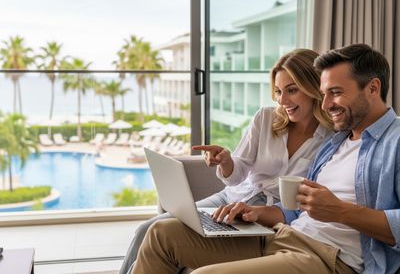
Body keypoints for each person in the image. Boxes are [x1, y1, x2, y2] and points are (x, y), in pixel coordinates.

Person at [132, 43, 400, 274]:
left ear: (373, 88)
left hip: (328, 258)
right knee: (160, 235)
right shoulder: (336, 143)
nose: (326, 103)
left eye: (336, 92)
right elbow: (297, 211)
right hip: (285, 235)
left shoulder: (394, 142)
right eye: (325, 92)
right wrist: (255, 212)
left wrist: (340, 211)